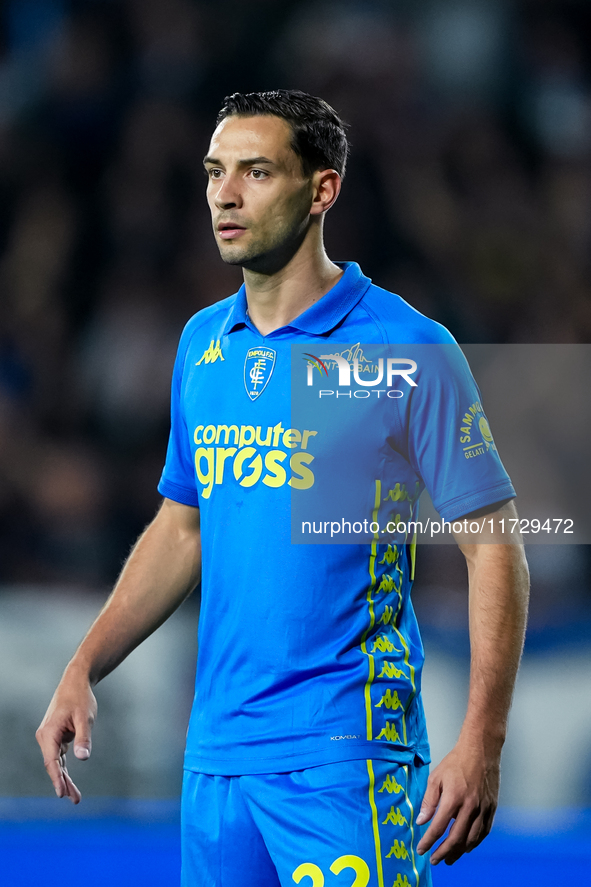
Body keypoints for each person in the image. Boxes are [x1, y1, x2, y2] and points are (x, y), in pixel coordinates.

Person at [37, 90, 529, 886]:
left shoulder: (405, 346)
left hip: (344, 753)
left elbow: (494, 547)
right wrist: (84, 664)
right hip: (218, 761)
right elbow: (182, 527)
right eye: (214, 172)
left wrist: (482, 738)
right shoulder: (204, 342)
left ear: (320, 190)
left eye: (256, 171)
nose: (224, 195)